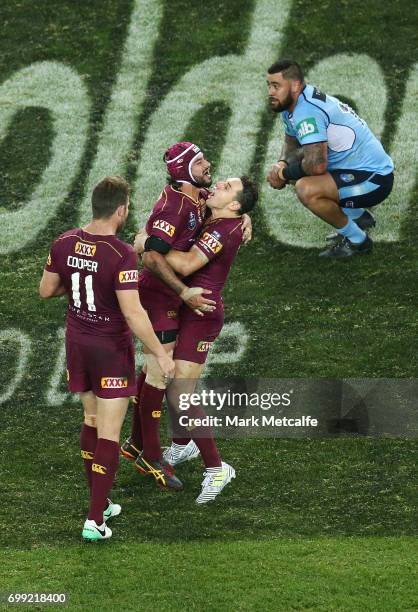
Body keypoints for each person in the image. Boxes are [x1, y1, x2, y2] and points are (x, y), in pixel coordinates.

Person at [39, 176, 174, 541]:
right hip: (110, 349)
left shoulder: (63, 242)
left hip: (77, 343)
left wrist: (80, 276)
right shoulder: (121, 254)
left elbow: (46, 290)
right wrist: (161, 354)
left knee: (91, 419)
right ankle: (95, 520)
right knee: (110, 433)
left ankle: (103, 501)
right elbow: (134, 315)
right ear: (120, 210)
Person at [120, 143, 252, 491]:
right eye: (201, 162)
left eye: (226, 186)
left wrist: (140, 240)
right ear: (185, 171)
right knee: (161, 376)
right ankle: (153, 452)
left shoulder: (206, 202)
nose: (213, 171)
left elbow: (183, 260)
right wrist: (146, 245)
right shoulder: (180, 206)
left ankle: (157, 450)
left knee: (166, 381)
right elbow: (152, 260)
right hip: (164, 299)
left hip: (196, 309)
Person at [266, 58, 394, 257]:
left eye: (276, 86)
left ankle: (358, 241)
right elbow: (292, 142)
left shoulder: (306, 111)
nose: (270, 92)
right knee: (297, 172)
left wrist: (282, 173)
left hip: (374, 180)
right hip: (357, 170)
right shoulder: (292, 104)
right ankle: (360, 217)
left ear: (295, 85)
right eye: (269, 86)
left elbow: (317, 165)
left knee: (306, 188)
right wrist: (281, 164)